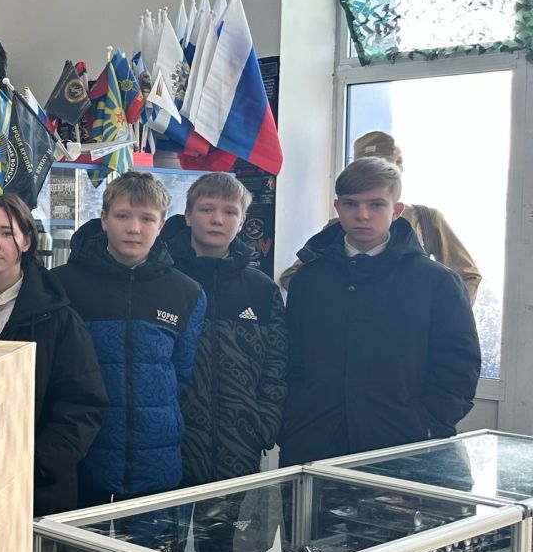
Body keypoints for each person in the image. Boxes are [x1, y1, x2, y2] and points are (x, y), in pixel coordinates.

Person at [279, 156, 480, 464]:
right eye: (351, 204)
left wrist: (427, 426)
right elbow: (289, 358)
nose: (362, 215)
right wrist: (292, 420)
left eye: (376, 204)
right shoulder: (308, 280)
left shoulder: (437, 282)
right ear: (337, 207)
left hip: (403, 447)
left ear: (396, 210)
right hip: (312, 444)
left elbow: (459, 366)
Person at [55, 171, 206, 506]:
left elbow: (181, 374)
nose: (134, 228)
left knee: (149, 543)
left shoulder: (187, 293)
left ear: (161, 224)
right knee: (76, 544)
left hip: (156, 464)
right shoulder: (62, 286)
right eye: (123, 216)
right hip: (81, 461)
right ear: (104, 219)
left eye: (146, 218)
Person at [0, 193, 108, 514]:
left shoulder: (57, 317)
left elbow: (83, 406)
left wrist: (33, 466)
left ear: (26, 241)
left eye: (6, 233)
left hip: (32, 488)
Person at [159, 172, 287, 486]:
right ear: (188, 215)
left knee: (226, 520)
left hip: (239, 443)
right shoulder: (162, 281)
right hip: (170, 441)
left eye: (230, 211)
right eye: (207, 209)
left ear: (242, 221)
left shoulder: (262, 289)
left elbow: (277, 363)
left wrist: (264, 424)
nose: (217, 219)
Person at [279, 130, 481, 304]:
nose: (363, 216)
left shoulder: (426, 219)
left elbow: (467, 274)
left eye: (376, 204)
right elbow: (293, 277)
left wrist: (444, 314)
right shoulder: (339, 226)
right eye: (366, 167)